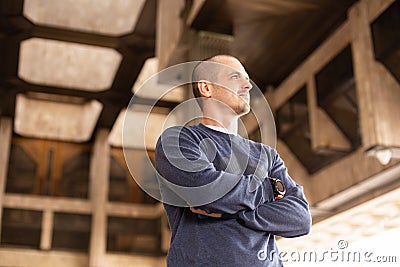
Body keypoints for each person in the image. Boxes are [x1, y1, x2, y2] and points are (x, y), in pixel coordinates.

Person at [155, 55, 311, 266]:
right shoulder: (179, 141)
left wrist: (234, 211)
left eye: (247, 79)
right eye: (235, 76)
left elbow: (300, 218)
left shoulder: (267, 155)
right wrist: (269, 190)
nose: (247, 85)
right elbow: (208, 193)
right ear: (206, 88)